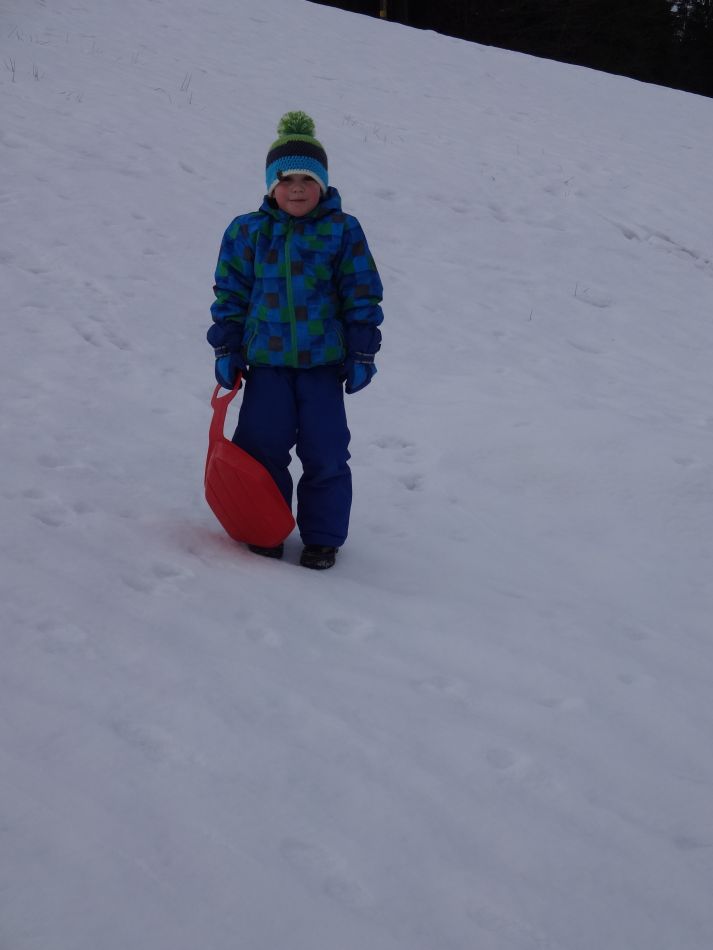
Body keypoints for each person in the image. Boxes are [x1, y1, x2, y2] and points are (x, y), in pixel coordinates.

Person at [207, 112, 384, 570]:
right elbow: (230, 293)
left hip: (323, 366)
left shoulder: (342, 230)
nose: (298, 189)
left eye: (308, 179)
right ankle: (264, 526)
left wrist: (362, 351)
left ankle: (322, 538)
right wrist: (227, 347)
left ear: (323, 184)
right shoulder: (248, 231)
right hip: (266, 366)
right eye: (287, 180)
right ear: (272, 186)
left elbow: (361, 292)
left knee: (326, 452)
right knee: (261, 449)